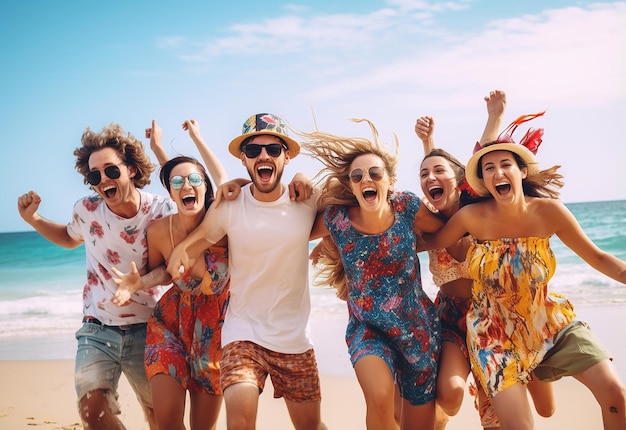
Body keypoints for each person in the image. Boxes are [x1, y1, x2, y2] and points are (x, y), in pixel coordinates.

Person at [420, 111, 626, 430]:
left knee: (613, 393)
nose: (498, 172)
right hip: (493, 333)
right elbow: (431, 240)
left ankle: (537, 369)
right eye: (489, 168)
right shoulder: (471, 217)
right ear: (483, 181)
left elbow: (598, 258)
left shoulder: (550, 212)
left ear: (521, 171)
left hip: (547, 321)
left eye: (506, 165)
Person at [165, 113, 326, 430]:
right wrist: (177, 260)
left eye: (273, 149)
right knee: (239, 422)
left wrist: (307, 177)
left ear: (286, 156)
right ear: (244, 159)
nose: (263, 156)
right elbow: (195, 243)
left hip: (293, 337)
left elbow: (351, 213)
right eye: (253, 151)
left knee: (311, 426)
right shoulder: (230, 204)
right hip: (242, 333)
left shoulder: (308, 200)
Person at [17, 123, 175, 429]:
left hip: (151, 327)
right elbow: (68, 237)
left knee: (160, 415)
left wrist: (140, 283)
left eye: (111, 170)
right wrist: (33, 219)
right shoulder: (87, 211)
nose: (103, 180)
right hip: (97, 327)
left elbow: (172, 269)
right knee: (93, 411)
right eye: (94, 176)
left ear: (130, 169)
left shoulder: (161, 210)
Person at [416, 91, 554, 429]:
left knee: (546, 408)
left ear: (461, 178)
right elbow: (434, 178)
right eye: (424, 175)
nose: (431, 179)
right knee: (450, 396)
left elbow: (481, 158)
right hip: (450, 317)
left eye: (440, 172)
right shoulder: (427, 218)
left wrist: (494, 115)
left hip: (501, 314)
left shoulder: (478, 210)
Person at [303, 118, 444, 430]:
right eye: (357, 176)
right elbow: (292, 229)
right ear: (352, 187)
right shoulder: (337, 220)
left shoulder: (407, 206)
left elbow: (445, 230)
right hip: (367, 330)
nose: (366, 178)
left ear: (389, 181)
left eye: (374, 173)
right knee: (379, 396)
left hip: (417, 331)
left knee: (416, 422)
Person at [112, 118, 230, 430]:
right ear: (169, 192)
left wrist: (195, 136)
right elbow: (165, 272)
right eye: (176, 185)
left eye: (195, 181)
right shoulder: (159, 231)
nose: (187, 187)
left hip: (216, 329)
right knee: (167, 421)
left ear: (206, 187)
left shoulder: (223, 221)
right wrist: (141, 282)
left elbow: (215, 175)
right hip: (170, 324)